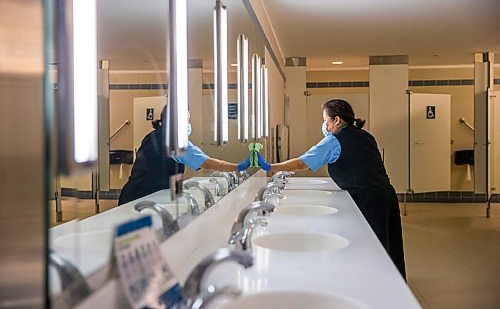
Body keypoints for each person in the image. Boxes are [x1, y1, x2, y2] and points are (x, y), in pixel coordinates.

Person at [257, 99, 406, 279]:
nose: (324, 125)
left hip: (367, 199)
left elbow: (301, 163)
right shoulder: (366, 136)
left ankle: (376, 290)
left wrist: (269, 166)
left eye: (326, 120)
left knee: (372, 249)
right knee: (389, 247)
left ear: (336, 120)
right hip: (386, 194)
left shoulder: (334, 142)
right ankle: (393, 288)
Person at [118, 107, 250, 205]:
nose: (188, 124)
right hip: (145, 200)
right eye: (187, 120)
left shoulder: (153, 135)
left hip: (134, 196)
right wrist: (239, 166)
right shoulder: (176, 142)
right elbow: (208, 163)